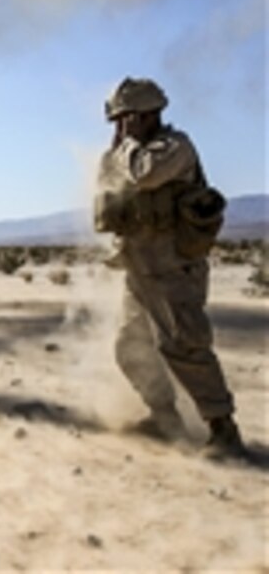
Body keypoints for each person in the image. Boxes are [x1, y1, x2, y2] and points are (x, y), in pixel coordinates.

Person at [94, 77, 243, 458]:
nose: (119, 128)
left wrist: (123, 148)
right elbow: (107, 190)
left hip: (175, 268)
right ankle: (165, 418)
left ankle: (223, 429)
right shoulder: (128, 151)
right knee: (129, 346)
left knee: (184, 346)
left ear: (145, 116)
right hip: (138, 266)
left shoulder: (174, 148)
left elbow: (146, 174)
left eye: (124, 120)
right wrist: (113, 157)